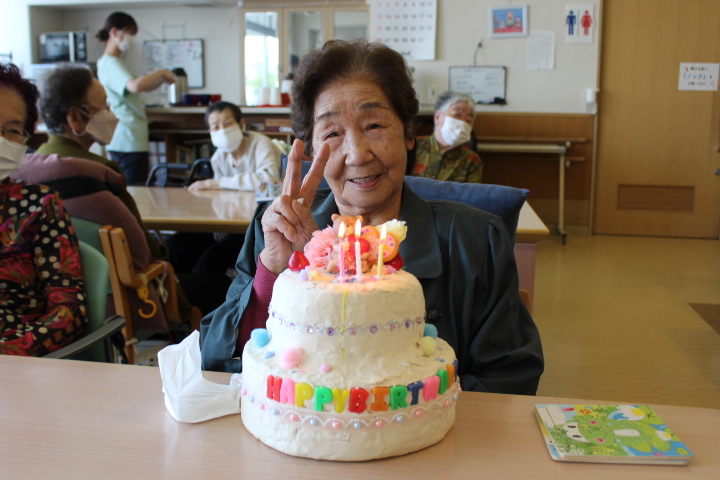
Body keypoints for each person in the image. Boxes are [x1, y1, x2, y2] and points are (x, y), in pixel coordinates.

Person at [201, 40, 544, 395]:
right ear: (312, 150)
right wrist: (272, 272)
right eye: (333, 133)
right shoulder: (277, 231)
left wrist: (399, 407)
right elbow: (216, 360)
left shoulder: (477, 241)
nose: (357, 154)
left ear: (409, 133)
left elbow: (508, 381)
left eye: (374, 126)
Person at [35, 66, 170, 264]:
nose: (111, 114)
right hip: (113, 281)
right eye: (103, 107)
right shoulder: (101, 171)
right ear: (75, 118)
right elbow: (144, 246)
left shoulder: (26, 169)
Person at [0, 62, 87, 356]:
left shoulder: (39, 206)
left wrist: (10, 351)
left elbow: (70, 311)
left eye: (12, 130)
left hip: (16, 362)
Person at [96, 11, 175, 185]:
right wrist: (160, 72)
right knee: (135, 189)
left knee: (135, 187)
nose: (132, 38)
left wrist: (160, 80)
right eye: (130, 33)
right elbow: (134, 86)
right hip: (126, 138)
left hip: (129, 138)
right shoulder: (110, 62)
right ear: (115, 32)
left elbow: (138, 87)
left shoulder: (116, 62)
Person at [188, 101, 280, 192]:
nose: (223, 131)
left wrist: (216, 183)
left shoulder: (261, 143)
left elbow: (270, 180)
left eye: (228, 123)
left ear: (241, 125)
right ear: (210, 132)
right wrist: (219, 183)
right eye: (216, 127)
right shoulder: (217, 158)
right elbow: (221, 190)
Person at [410, 91, 483, 183]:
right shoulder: (412, 145)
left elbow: (472, 191)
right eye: (456, 115)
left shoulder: (471, 160)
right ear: (438, 117)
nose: (463, 123)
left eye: (468, 120)